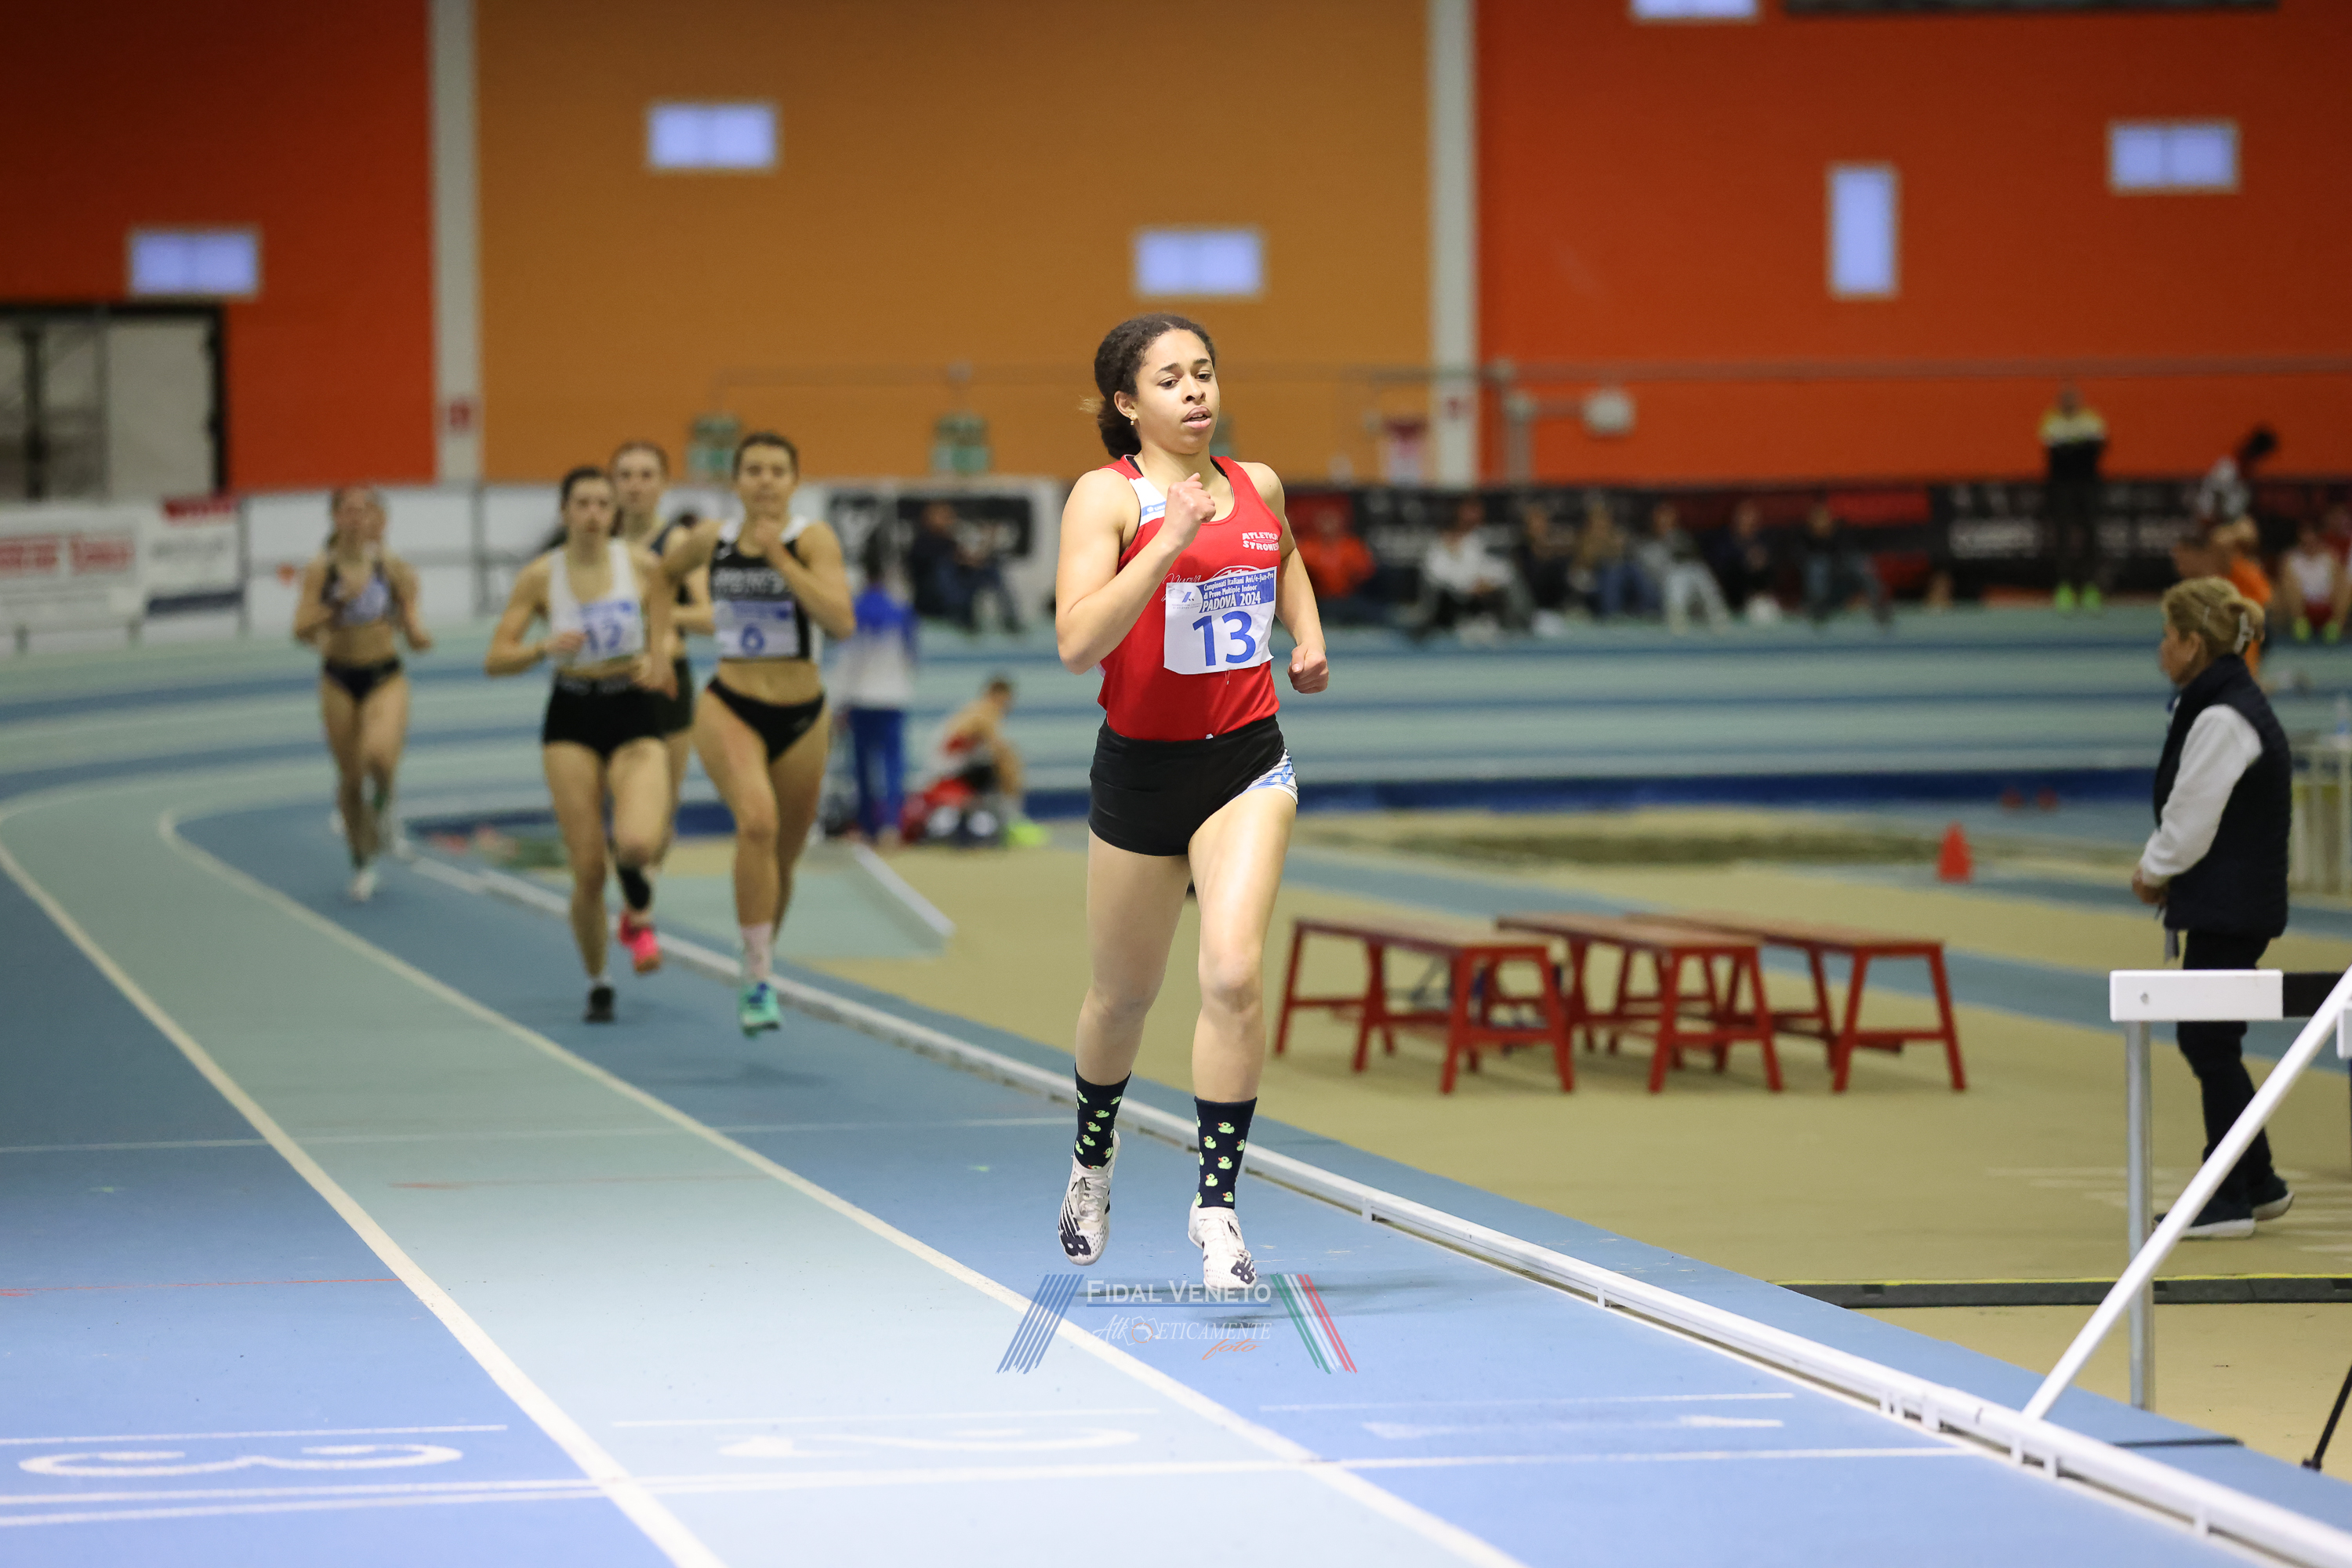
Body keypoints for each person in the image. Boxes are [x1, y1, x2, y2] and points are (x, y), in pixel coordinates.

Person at [1051, 311, 1328, 1292]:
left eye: (1203, 372)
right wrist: (1167, 539)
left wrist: (1306, 632)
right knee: (1122, 996)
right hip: (1141, 772)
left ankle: (1217, 1207)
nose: (1195, 391)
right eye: (1169, 379)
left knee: (1233, 974)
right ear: (1128, 404)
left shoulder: (1258, 485)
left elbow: (1283, 555)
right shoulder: (1107, 496)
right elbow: (1076, 642)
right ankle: (1093, 1159)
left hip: (1246, 762)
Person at [660, 433, 855, 1034]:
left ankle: (757, 961)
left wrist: (781, 561)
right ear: (736, 480)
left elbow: (840, 621)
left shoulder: (811, 539)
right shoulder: (710, 539)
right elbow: (658, 578)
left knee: (784, 858)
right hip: (731, 704)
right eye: (753, 470)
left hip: (801, 714)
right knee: (757, 823)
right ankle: (760, 975)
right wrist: (656, 646)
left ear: (794, 481)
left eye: (776, 470)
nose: (765, 480)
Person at [2132, 577, 2295, 1239]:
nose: (2161, 648)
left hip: (2232, 903)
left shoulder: (2223, 716)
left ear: (2194, 644)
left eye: (2168, 636)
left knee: (2207, 1040)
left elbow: (2191, 816)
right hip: (2233, 899)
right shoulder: (2223, 703)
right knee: (2212, 1038)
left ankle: (2225, 1197)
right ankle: (2258, 1181)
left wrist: (2153, 870)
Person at [485, 466, 677, 1022]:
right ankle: (599, 981)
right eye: (583, 504)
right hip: (572, 713)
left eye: (602, 504)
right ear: (564, 511)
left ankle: (637, 908)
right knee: (589, 868)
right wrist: (542, 647)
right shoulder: (540, 576)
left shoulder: (642, 565)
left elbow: (666, 631)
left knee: (636, 844)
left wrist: (657, 660)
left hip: (633, 707)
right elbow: (496, 657)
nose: (593, 514)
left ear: (614, 514)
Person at [294, 486, 434, 902]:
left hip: (384, 674)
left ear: (376, 519)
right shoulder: (322, 569)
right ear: (335, 517)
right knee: (351, 779)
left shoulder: (392, 568)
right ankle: (362, 863)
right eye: (349, 511)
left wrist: (417, 633)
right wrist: (333, 607)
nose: (357, 519)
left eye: (365, 511)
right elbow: (301, 629)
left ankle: (386, 808)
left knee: (380, 757)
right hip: (338, 678)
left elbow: (415, 627)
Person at [614, 441, 709, 929]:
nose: (635, 485)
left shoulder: (675, 542)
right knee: (617, 802)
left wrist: (657, 611)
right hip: (610, 684)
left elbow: (710, 616)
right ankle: (634, 895)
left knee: (662, 806)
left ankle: (641, 898)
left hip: (666, 683)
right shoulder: (597, 540)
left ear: (664, 485)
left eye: (646, 475)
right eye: (626, 475)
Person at [835, 532, 920, 844]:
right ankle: (892, 826)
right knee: (893, 765)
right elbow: (911, 657)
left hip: (861, 697)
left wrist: (839, 703)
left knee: (862, 767)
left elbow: (848, 661)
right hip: (892, 696)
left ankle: (867, 825)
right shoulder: (901, 611)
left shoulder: (854, 610)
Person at [917, 673, 1048, 847]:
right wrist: (1013, 778)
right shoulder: (984, 711)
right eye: (1005, 700)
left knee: (1003, 761)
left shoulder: (976, 709)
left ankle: (1006, 815)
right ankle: (1011, 817)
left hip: (952, 765)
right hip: (945, 771)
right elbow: (998, 749)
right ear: (995, 695)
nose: (1007, 706)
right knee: (1005, 763)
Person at [2038, 383, 2108, 613]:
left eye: (2073, 399)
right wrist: (2078, 446)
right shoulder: (2051, 420)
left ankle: (2090, 587)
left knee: (2091, 534)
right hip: (2061, 487)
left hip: (2088, 486)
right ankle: (2064, 586)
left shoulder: (2091, 419)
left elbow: (2096, 448)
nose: (2069, 403)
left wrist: (2071, 447)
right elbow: (2054, 451)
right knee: (2062, 536)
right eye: (2065, 400)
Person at [908, 499, 1023, 633]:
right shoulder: (922, 543)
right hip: (934, 598)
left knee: (991, 570)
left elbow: (969, 561)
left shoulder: (949, 541)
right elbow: (953, 561)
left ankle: (1010, 619)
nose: (950, 519)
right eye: (944, 516)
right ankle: (962, 617)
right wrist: (967, 561)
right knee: (944, 570)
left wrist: (987, 544)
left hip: (957, 591)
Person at [1416, 496, 1518, 638]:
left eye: (1477, 510)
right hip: (1447, 608)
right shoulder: (1437, 544)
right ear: (1457, 511)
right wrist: (1467, 585)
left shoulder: (1481, 539)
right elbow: (1435, 576)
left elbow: (1502, 570)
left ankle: (1519, 625)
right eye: (1470, 510)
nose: (1474, 515)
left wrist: (1486, 582)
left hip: (1479, 603)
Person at [1637, 501, 1729, 633]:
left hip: (1688, 588)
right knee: (1676, 576)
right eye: (1662, 519)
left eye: (1669, 519)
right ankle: (1677, 615)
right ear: (1654, 521)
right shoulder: (1646, 544)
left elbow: (1692, 559)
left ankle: (1717, 614)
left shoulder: (1682, 539)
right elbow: (1649, 571)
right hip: (1660, 588)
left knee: (1698, 570)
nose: (1666, 523)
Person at [1799, 503, 1892, 628]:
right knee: (1818, 565)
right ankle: (1818, 608)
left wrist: (1857, 594)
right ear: (1810, 522)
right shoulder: (1803, 539)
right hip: (1825, 590)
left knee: (1860, 561)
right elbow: (1802, 563)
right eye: (1816, 520)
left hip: (1846, 582)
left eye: (1823, 519)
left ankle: (1877, 603)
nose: (1820, 523)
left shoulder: (1843, 535)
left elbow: (1849, 563)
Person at [1295, 507, 1382, 626]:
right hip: (1318, 599)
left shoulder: (1352, 546)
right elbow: (1297, 573)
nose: (1328, 526)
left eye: (1332, 521)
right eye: (1325, 522)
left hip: (1350, 599)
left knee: (1376, 613)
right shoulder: (1308, 546)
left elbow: (1366, 571)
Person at [1575, 492, 1649, 620]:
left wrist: (1609, 548)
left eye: (1605, 518)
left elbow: (1619, 555)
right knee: (1611, 574)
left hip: (1618, 581)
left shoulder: (1613, 535)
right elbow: (1588, 561)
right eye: (1598, 517)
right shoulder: (1585, 537)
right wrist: (1606, 549)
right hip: (1590, 583)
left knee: (1633, 569)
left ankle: (1647, 611)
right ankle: (1611, 615)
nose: (1602, 522)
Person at [2278, 517, 2348, 644]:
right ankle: (2300, 624)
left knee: (2347, 586)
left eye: (2312, 539)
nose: (2309, 543)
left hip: (2327, 606)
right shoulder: (2290, 559)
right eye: (2305, 540)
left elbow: (2340, 584)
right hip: (2303, 608)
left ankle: (2335, 625)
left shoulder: (2331, 556)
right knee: (2287, 584)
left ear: (2318, 539)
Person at [1713, 499, 1782, 625]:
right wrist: (1745, 560)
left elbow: (1773, 567)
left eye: (1751, 516)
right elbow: (1721, 566)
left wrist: (1760, 561)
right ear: (1735, 518)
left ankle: (1762, 601)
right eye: (1744, 516)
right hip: (1732, 596)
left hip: (1759, 596)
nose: (1748, 520)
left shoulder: (1763, 540)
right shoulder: (1725, 541)